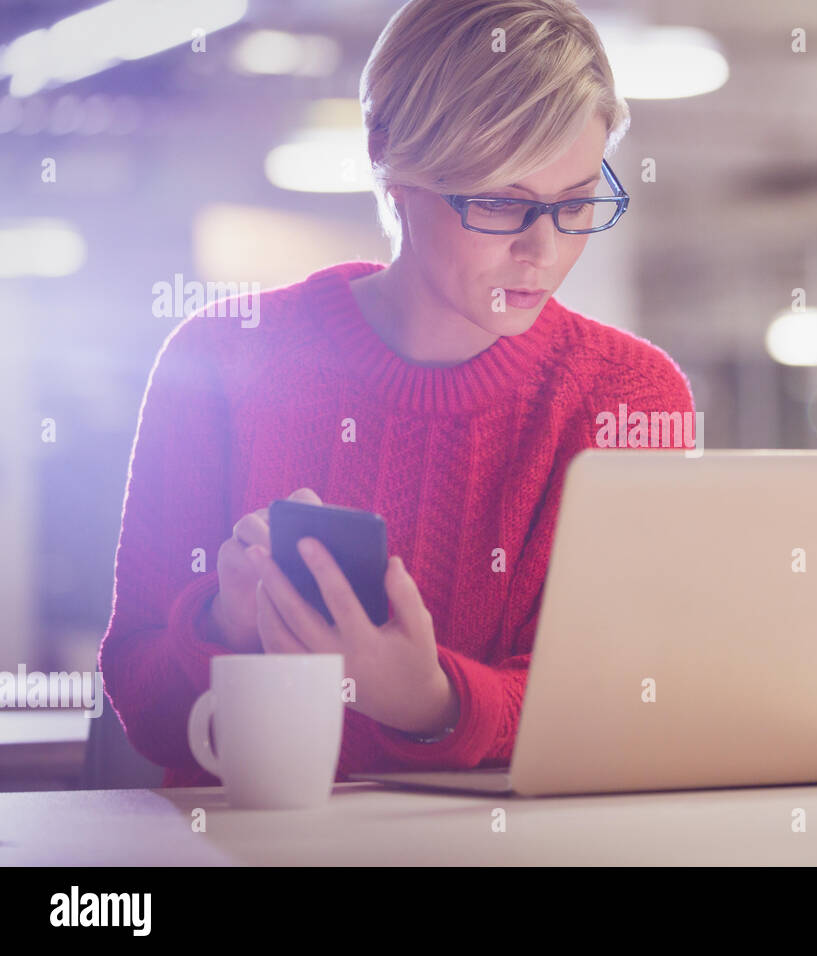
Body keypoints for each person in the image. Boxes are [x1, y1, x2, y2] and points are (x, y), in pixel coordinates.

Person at [99, 0, 694, 787]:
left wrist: (431, 703)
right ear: (389, 161)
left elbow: (626, 702)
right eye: (500, 202)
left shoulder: (631, 397)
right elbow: (144, 707)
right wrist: (222, 623)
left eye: (577, 202)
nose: (542, 250)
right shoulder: (220, 358)